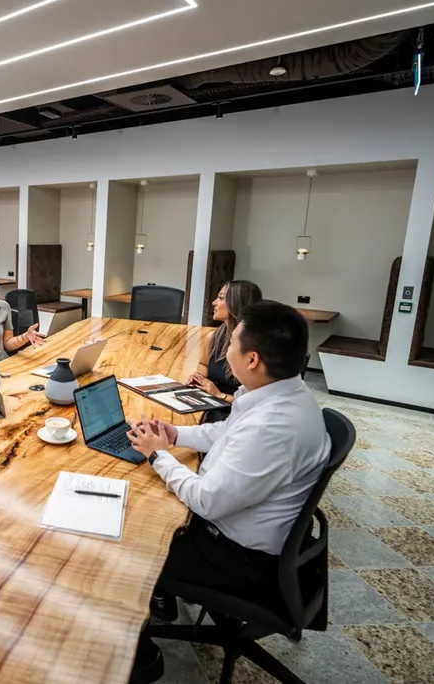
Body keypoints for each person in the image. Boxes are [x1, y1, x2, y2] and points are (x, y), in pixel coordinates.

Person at [126, 302, 331, 684]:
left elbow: (206, 500)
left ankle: (140, 659)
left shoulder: (271, 427)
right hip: (260, 537)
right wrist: (175, 434)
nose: (225, 349)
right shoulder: (285, 393)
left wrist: (157, 455)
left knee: (133, 541)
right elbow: (227, 433)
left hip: (240, 560)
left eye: (233, 342)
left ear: (252, 359)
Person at [187, 280, 261, 420]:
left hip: (239, 414)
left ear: (236, 304)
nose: (214, 302)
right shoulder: (213, 337)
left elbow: (259, 402)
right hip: (211, 403)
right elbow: (204, 365)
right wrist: (199, 378)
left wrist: (220, 395)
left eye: (221, 298)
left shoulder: (255, 348)